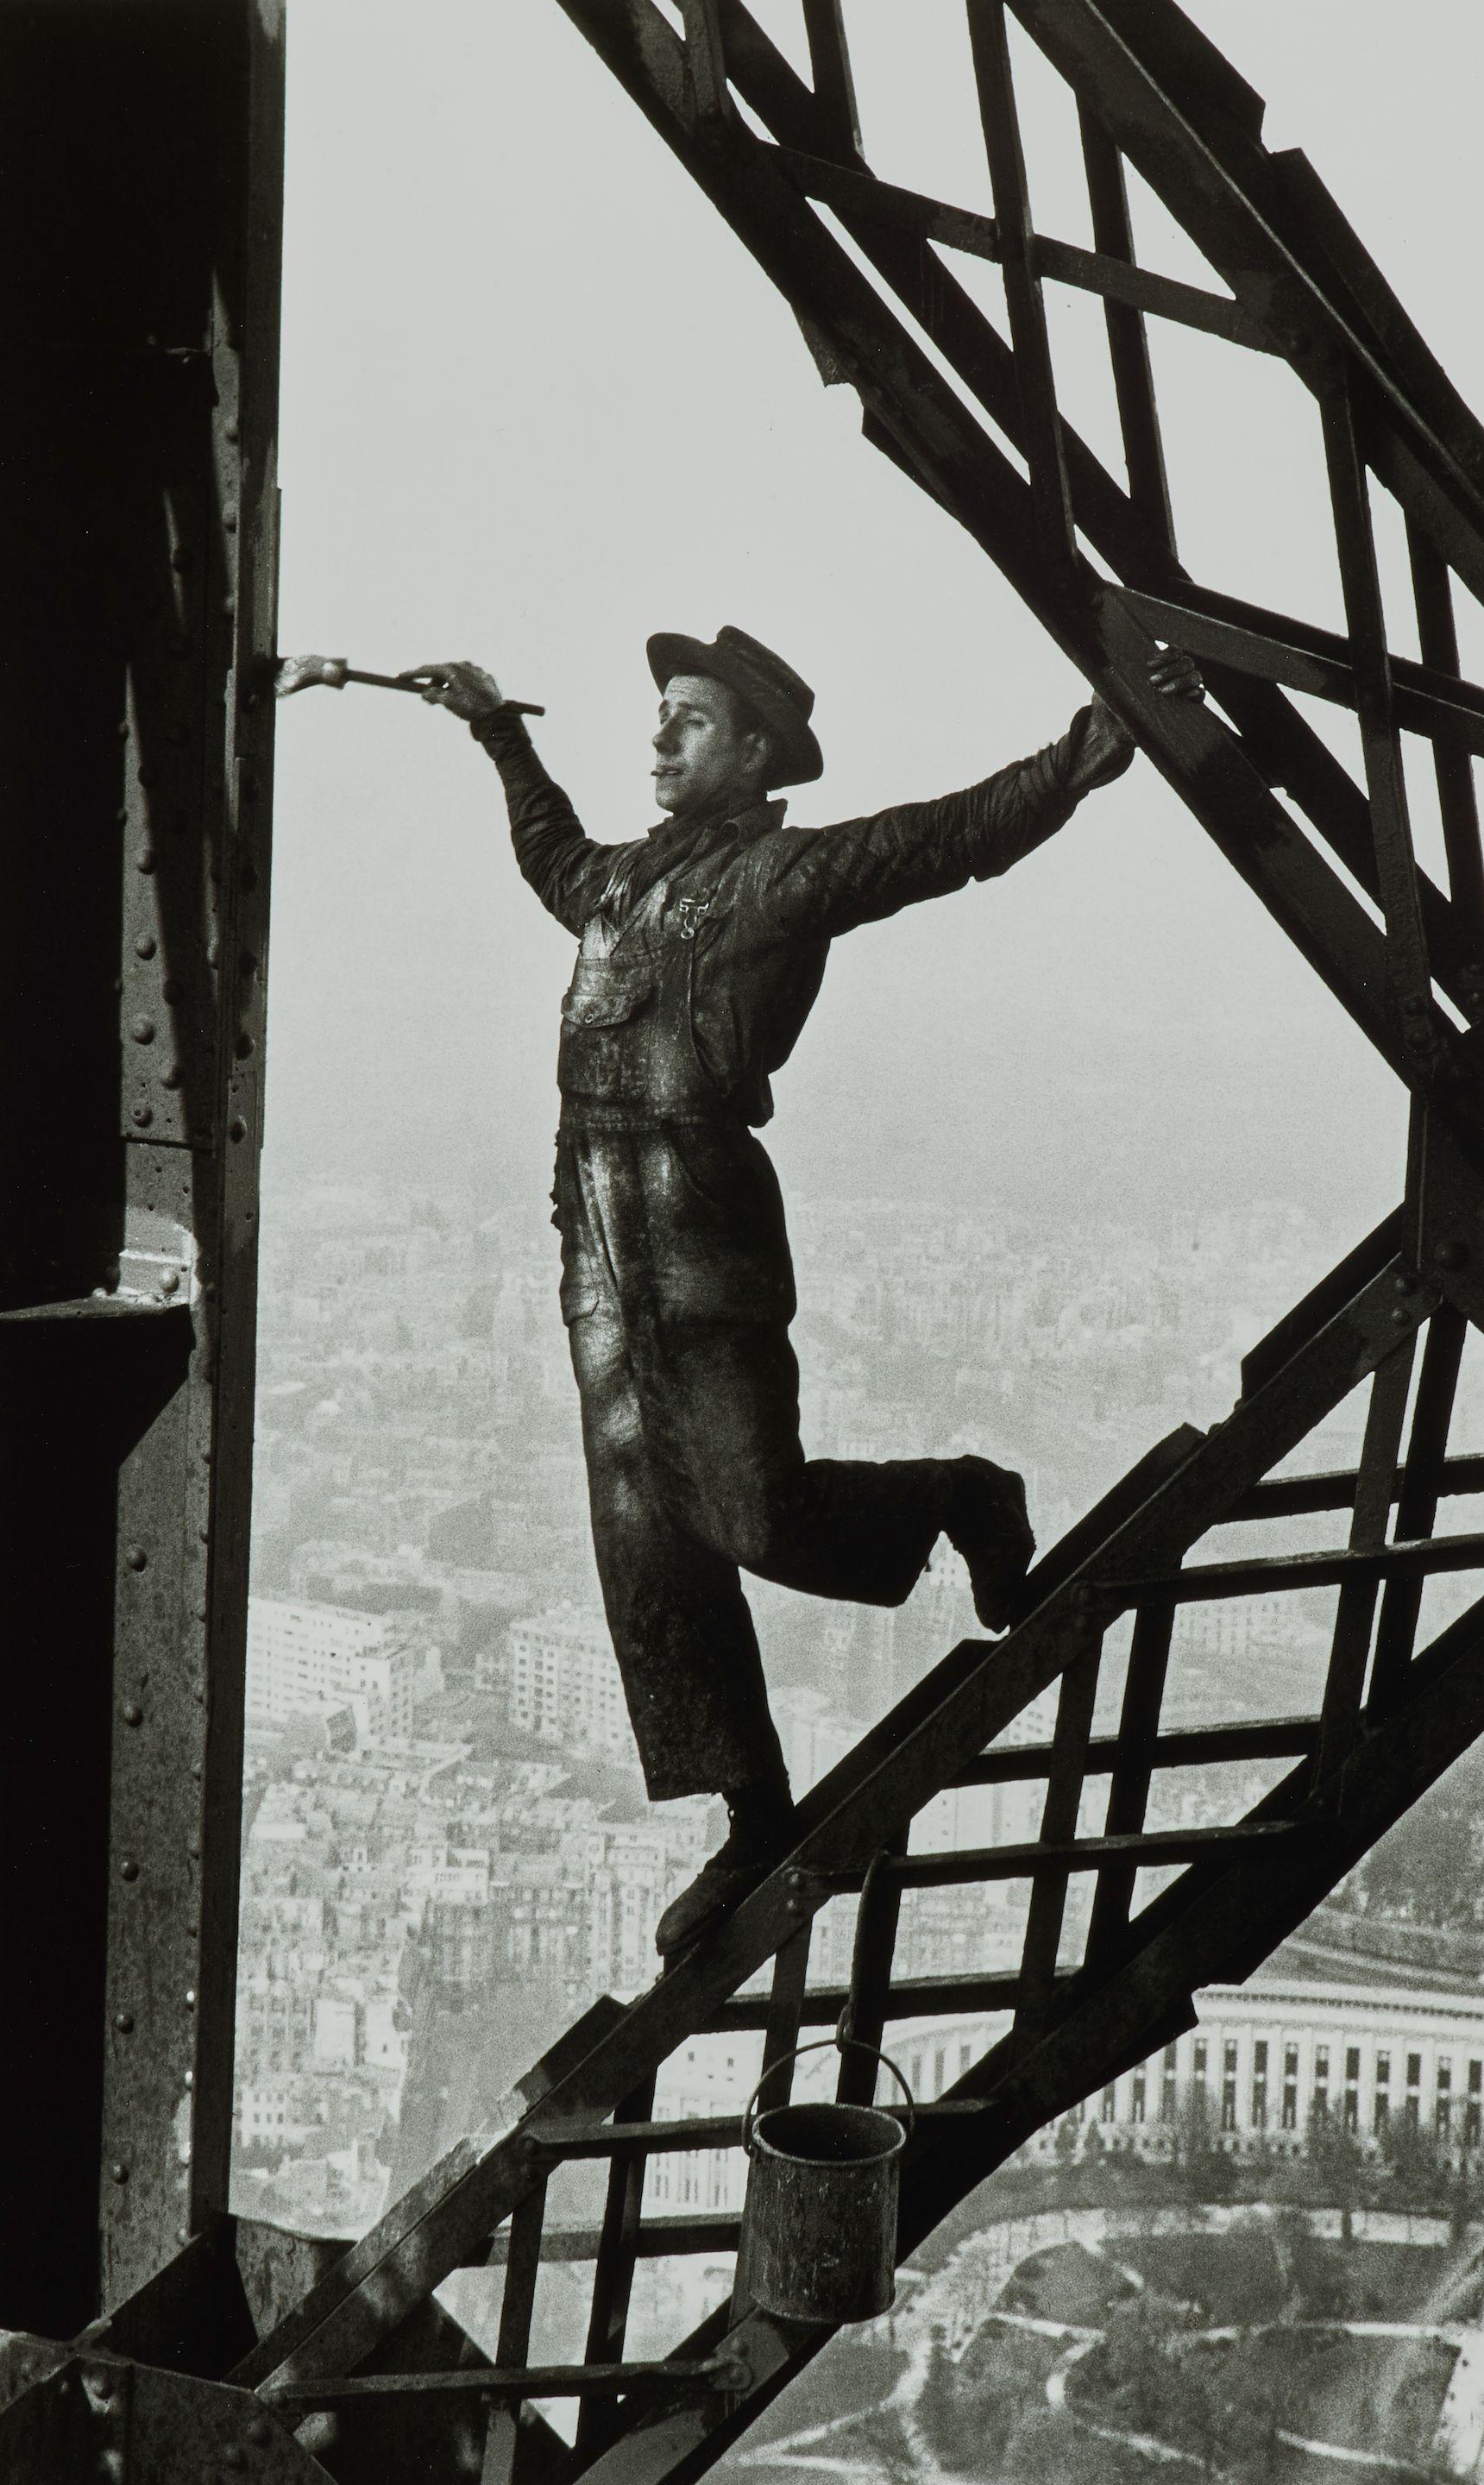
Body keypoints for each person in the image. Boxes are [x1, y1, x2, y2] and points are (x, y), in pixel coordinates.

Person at [385, 626, 1198, 1953]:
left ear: (754, 752)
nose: (657, 739)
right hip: (597, 1236)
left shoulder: (786, 874)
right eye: (657, 715)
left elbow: (944, 839)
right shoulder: (617, 883)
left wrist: (1078, 757)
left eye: (688, 720)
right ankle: (752, 1816)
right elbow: (547, 849)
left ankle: (957, 1496)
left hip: (697, 1226)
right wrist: (494, 728)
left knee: (751, 1514)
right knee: (648, 1546)